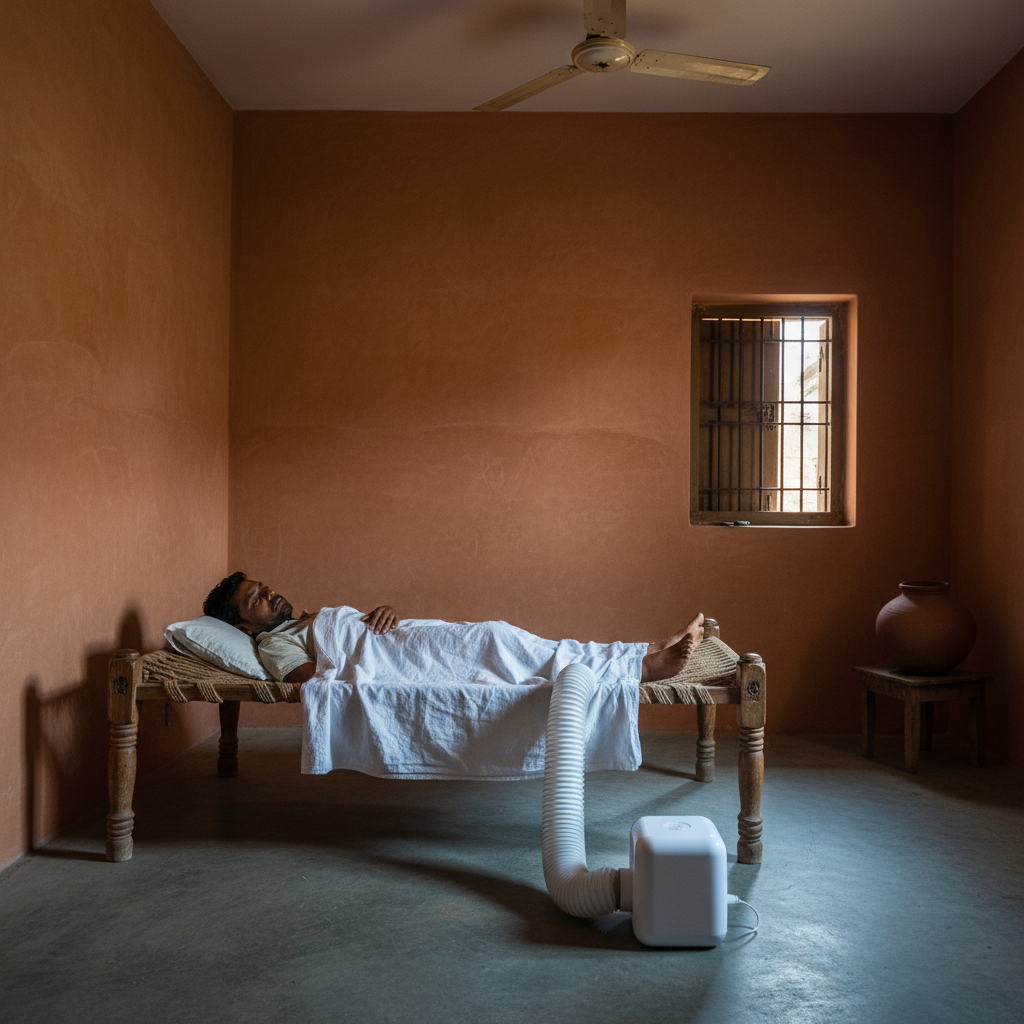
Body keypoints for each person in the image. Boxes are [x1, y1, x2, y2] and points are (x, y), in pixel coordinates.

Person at [202, 572, 704, 686]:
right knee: (502, 641)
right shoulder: (273, 648)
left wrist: (382, 611)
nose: (268, 595)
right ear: (244, 625)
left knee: (523, 644)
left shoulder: (310, 618)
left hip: (410, 636)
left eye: (263, 587)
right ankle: (640, 667)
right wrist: (361, 650)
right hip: (402, 659)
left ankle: (643, 651)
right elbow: (315, 679)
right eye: (256, 600)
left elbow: (350, 631)